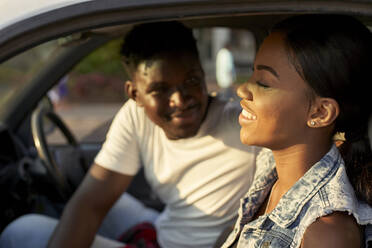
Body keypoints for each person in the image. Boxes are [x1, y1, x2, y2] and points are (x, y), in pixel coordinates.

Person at [0, 22, 259, 248]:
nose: (180, 99)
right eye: (160, 89)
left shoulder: (241, 123)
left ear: (203, 75)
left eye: (191, 81)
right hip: (166, 228)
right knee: (96, 198)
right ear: (135, 94)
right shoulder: (135, 116)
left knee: (23, 231)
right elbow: (90, 204)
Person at [221, 15, 372, 248]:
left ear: (320, 113)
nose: (242, 89)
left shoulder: (325, 234)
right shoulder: (269, 167)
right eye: (252, 73)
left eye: (263, 83)